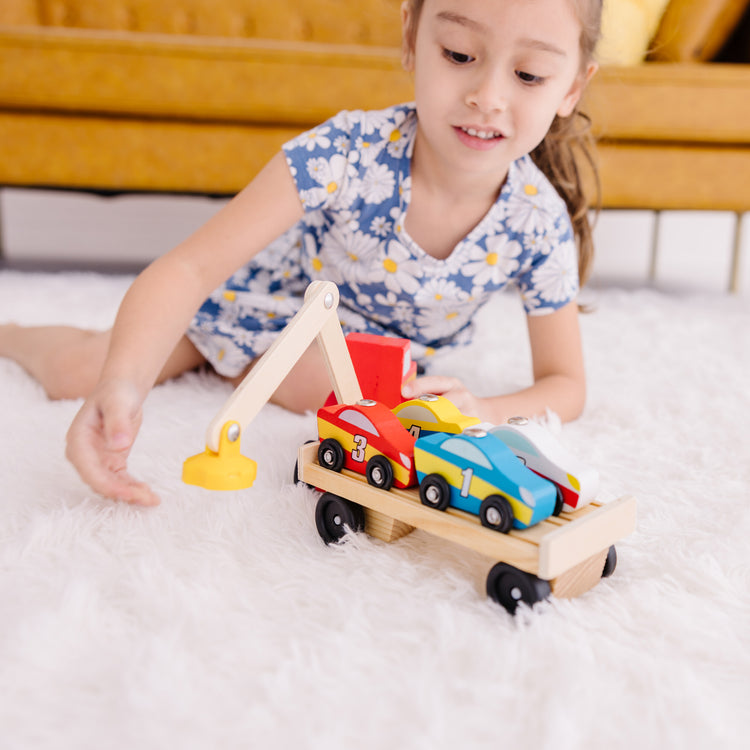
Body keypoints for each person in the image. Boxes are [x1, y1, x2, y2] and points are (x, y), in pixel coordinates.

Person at [0, 0, 601, 506]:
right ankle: (14, 331)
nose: (486, 96)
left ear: (572, 87)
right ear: (412, 38)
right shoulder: (345, 150)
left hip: (364, 359)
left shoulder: (538, 220)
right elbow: (190, 267)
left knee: (353, 396)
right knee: (81, 374)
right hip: (258, 305)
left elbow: (564, 383)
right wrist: (124, 382)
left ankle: (225, 365)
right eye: (460, 56)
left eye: (528, 76)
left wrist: (486, 409)